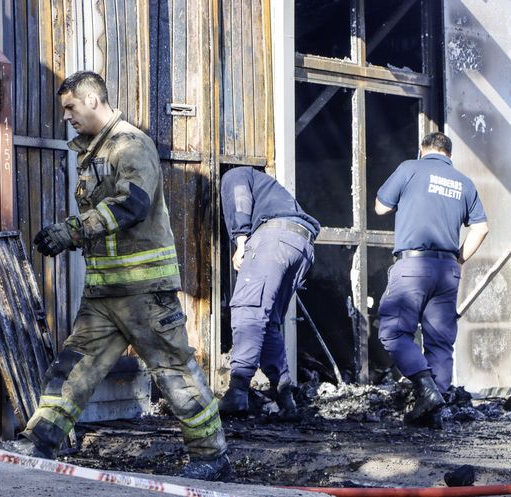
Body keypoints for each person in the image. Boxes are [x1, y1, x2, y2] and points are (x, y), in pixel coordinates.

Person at [21, 71, 229, 481]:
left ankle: (211, 455)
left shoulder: (130, 145)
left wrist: (72, 230)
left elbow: (131, 205)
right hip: (104, 291)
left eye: (70, 107)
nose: (66, 116)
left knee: (173, 371)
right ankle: (40, 442)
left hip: (144, 292)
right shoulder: (96, 149)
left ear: (93, 101)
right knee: (73, 366)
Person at [375, 132, 488, 426]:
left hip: (414, 265)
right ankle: (435, 411)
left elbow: (381, 207)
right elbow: (481, 228)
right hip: (448, 270)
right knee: (440, 342)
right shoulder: (464, 182)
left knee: (394, 332)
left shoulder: (410, 168)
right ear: (449, 154)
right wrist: (459, 258)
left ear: (422, 149)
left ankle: (426, 391)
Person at [219, 166, 319, 419]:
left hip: (274, 238)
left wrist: (240, 240)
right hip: (302, 245)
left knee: (248, 310)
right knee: (268, 320)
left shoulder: (236, 174)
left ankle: (237, 391)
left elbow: (239, 196)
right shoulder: (272, 190)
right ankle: (285, 393)